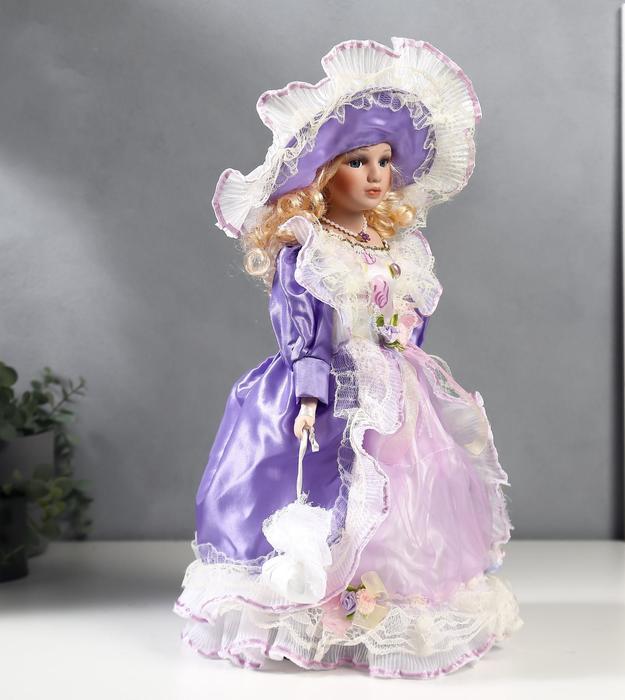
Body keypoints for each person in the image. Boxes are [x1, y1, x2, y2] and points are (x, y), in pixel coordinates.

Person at [173, 36, 523, 679]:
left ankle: (393, 602)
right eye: (358, 161)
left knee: (410, 490)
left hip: (398, 386)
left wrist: (406, 361)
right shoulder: (310, 248)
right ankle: (320, 605)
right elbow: (301, 328)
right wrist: (309, 393)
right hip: (329, 385)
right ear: (322, 176)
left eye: (385, 160)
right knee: (326, 488)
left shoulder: (398, 246)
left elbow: (410, 322)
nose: (376, 174)